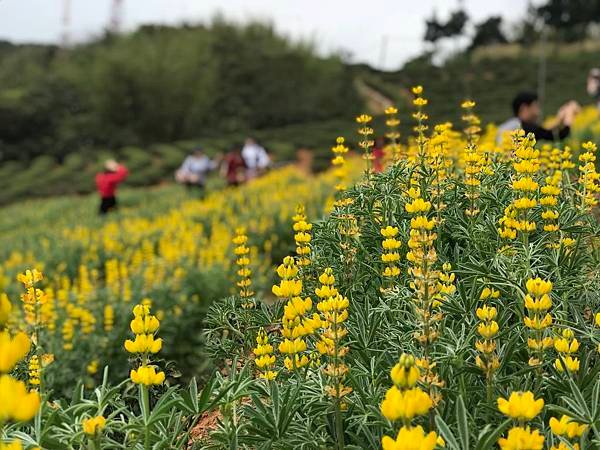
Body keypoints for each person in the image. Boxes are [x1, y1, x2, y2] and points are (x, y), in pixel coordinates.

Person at [496, 91, 579, 143]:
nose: (538, 112)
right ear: (524, 108)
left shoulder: (509, 125)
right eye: (535, 107)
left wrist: (559, 120)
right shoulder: (522, 127)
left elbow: (543, 131)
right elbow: (554, 136)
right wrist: (568, 120)